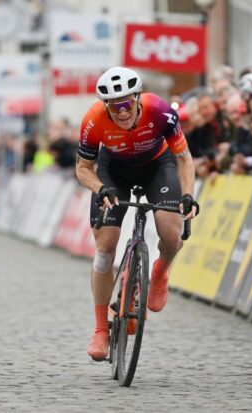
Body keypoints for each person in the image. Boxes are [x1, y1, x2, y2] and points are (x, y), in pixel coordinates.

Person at [75, 66, 199, 361]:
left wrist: (187, 195)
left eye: (126, 103)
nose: (121, 112)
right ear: (106, 105)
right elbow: (82, 168)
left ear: (137, 98)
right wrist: (100, 188)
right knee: (105, 250)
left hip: (158, 166)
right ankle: (101, 329)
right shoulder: (93, 120)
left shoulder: (160, 110)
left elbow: (183, 159)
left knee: (171, 234)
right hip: (113, 171)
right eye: (114, 106)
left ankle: (159, 272)